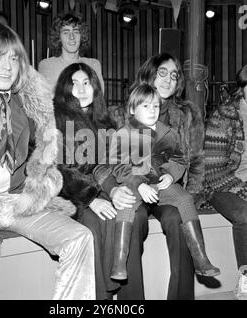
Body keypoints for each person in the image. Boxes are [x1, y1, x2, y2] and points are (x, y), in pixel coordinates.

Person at [0, 23, 95, 300]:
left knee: (80, 239)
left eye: (13, 58)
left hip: (19, 201)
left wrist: (40, 183)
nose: (7, 67)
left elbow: (46, 153)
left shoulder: (27, 101)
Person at [94, 83, 220, 281]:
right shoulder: (123, 134)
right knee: (127, 205)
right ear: (132, 110)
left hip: (160, 184)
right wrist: (139, 185)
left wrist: (171, 174)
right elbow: (118, 166)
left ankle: (200, 258)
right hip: (134, 184)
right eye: (145, 106)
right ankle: (119, 261)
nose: (152, 110)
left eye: (155, 106)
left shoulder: (168, 133)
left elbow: (179, 159)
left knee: (185, 199)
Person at [54, 62, 149, 300]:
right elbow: (59, 170)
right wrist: (92, 199)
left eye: (86, 83)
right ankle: (101, 298)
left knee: (132, 216)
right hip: (68, 195)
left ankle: (132, 299)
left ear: (96, 88)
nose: (82, 89)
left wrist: (117, 190)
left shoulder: (106, 122)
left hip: (103, 187)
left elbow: (113, 164)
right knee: (93, 226)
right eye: (74, 84)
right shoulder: (54, 120)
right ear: (66, 89)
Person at [127, 52, 206, 299]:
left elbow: (196, 160)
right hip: (137, 188)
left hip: (169, 190)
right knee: (134, 218)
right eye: (162, 72)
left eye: (173, 75)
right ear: (149, 74)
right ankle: (131, 302)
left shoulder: (187, 112)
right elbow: (116, 160)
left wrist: (191, 195)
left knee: (178, 217)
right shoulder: (129, 109)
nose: (168, 80)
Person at [204, 64, 247, 269]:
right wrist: (243, 189)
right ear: (242, 86)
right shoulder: (224, 117)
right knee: (244, 215)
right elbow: (213, 172)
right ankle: (246, 280)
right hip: (221, 185)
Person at [38, 12, 104, 93]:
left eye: (76, 32)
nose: (72, 37)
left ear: (82, 35)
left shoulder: (93, 64)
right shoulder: (47, 65)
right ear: (58, 37)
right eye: (66, 32)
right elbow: (45, 101)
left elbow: (98, 99)